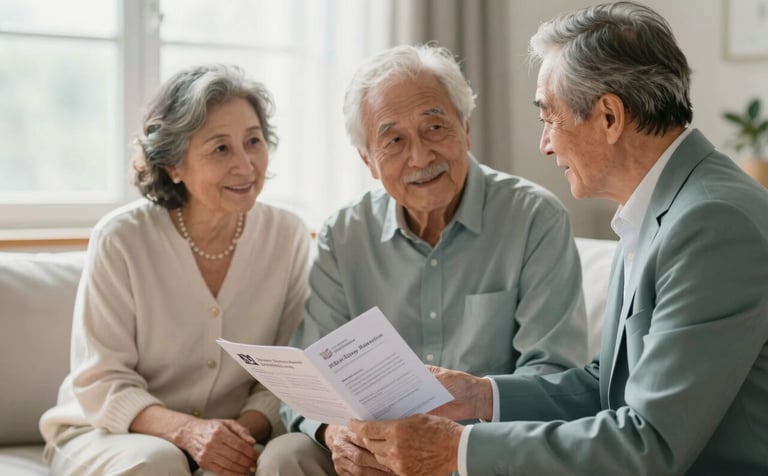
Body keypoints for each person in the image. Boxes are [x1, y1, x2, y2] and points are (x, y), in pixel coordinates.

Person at [349, 2, 768, 475]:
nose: (544, 143)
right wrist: (480, 395)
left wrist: (455, 451)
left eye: (549, 116)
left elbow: (648, 444)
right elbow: (609, 387)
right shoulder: (661, 208)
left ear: (609, 116)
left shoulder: (711, 224)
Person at [258, 44, 589, 475]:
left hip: (479, 449)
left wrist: (456, 445)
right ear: (368, 161)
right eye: (393, 140)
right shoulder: (344, 235)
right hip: (371, 448)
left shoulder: (534, 219)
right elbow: (311, 374)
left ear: (466, 129)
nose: (420, 156)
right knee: (287, 456)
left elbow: (552, 371)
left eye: (435, 127)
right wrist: (335, 434)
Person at [39, 64, 311, 476]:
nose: (246, 165)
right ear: (173, 165)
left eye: (253, 141)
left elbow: (289, 368)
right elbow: (101, 381)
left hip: (236, 434)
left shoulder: (287, 234)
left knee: (286, 456)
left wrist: (230, 441)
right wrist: (189, 433)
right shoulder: (121, 238)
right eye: (220, 148)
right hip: (111, 433)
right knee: (159, 462)